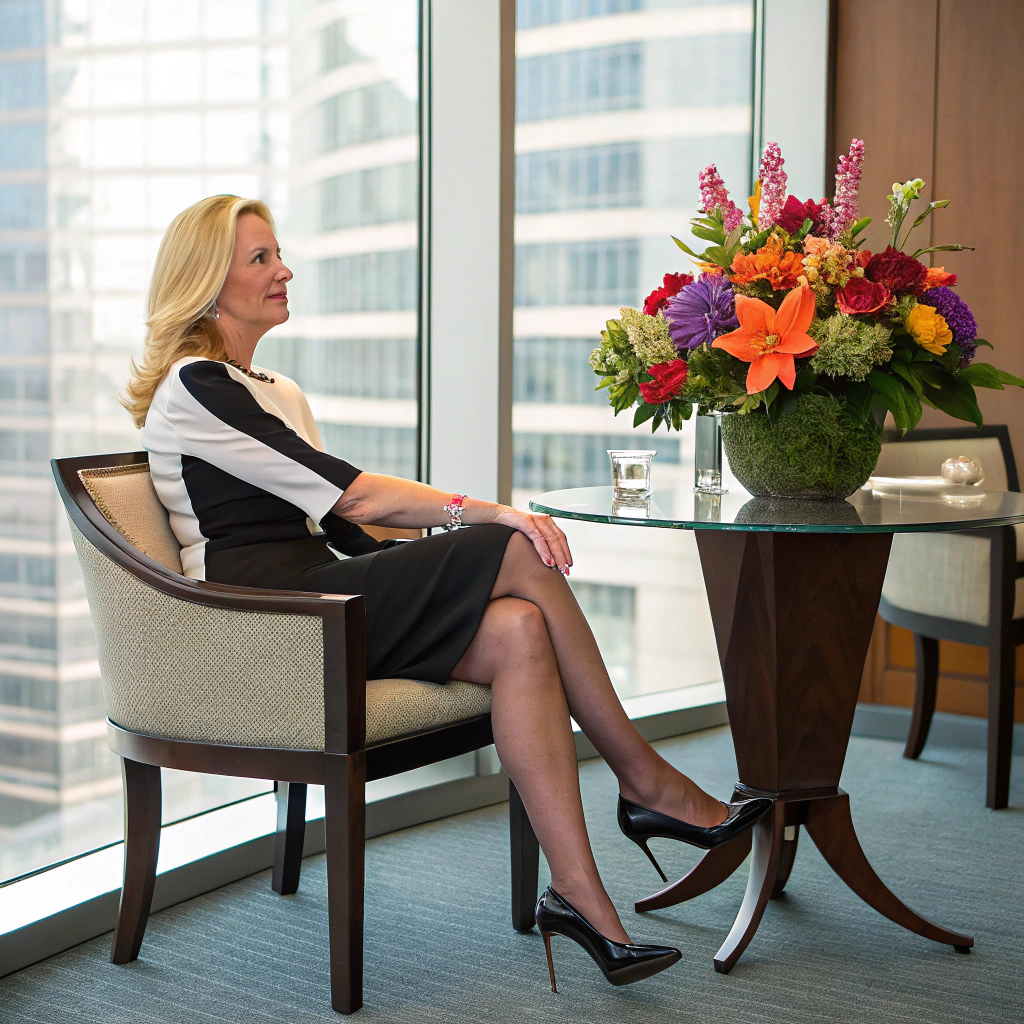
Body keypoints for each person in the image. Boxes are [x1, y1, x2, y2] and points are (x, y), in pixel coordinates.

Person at [126, 195, 769, 992]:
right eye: (260, 259)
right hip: (264, 622)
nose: (284, 269)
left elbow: (336, 525)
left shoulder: (274, 388)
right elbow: (353, 498)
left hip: (318, 594)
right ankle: (644, 781)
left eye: (277, 252)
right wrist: (484, 520)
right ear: (207, 281)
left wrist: (441, 563)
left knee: (519, 630)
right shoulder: (197, 386)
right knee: (508, 543)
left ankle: (580, 899)